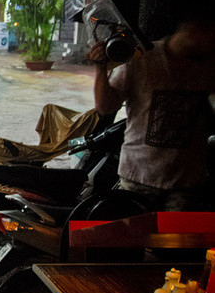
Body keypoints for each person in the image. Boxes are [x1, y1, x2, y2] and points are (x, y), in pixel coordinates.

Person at [90, 18, 215, 211]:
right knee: (132, 239)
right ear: (195, 30)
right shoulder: (141, 58)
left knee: (174, 241)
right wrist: (100, 68)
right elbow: (105, 107)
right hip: (138, 177)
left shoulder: (208, 66)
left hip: (186, 184)